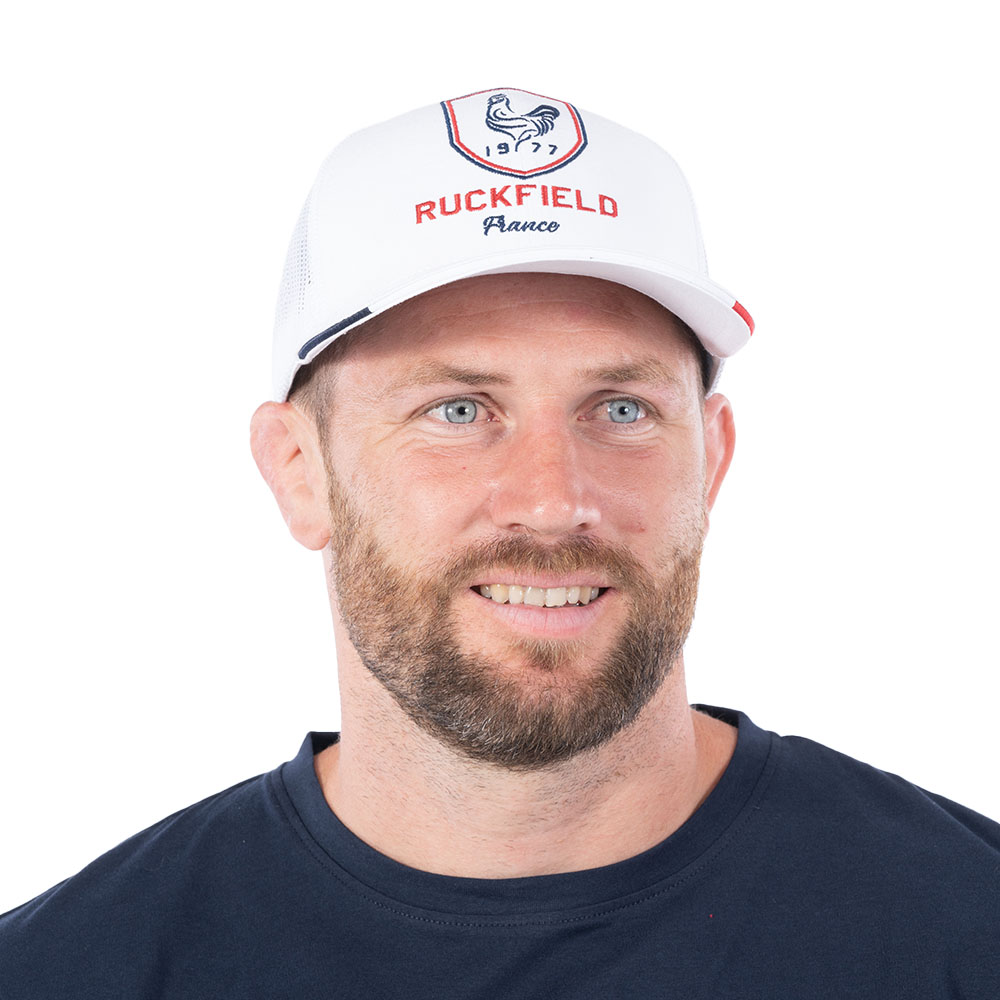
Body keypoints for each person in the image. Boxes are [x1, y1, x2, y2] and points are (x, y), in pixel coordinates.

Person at [2, 87, 997, 998]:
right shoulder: (70, 972)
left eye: (620, 407)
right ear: (299, 470)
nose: (553, 501)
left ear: (711, 458)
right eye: (457, 409)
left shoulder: (966, 927)